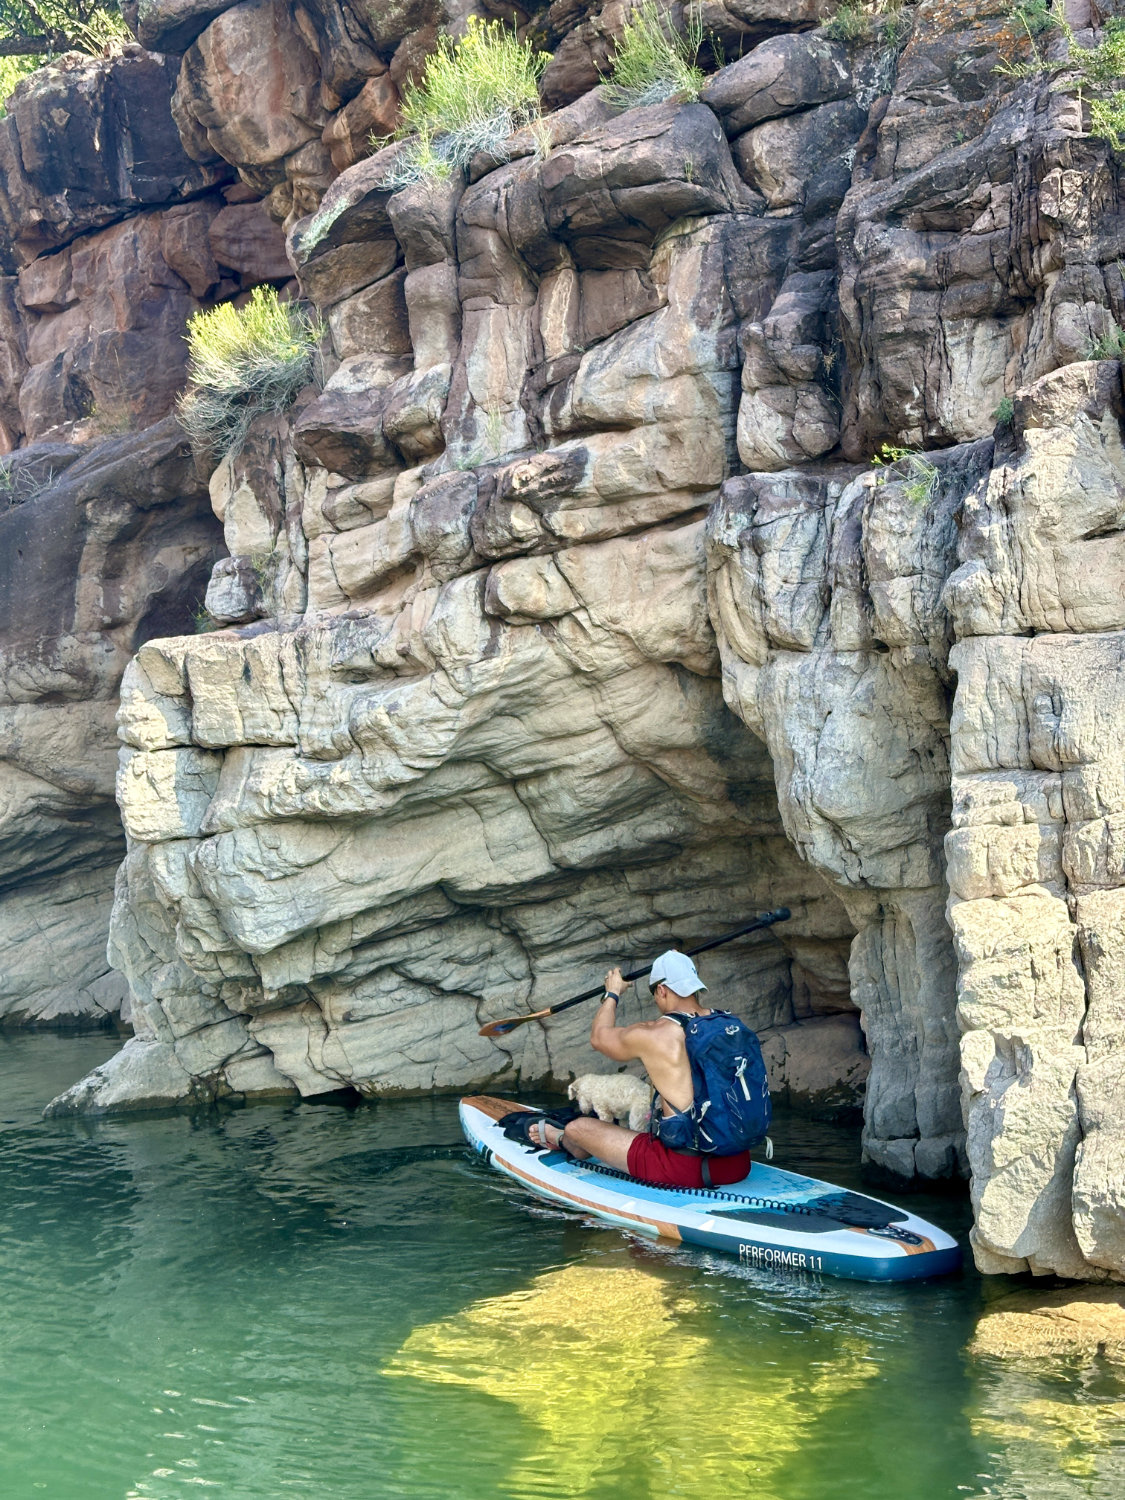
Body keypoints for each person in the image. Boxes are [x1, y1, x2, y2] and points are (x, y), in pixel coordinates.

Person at [528, 949, 755, 1188]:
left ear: (661, 990)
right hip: (737, 1164)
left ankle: (563, 1139)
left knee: (578, 1127)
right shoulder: (731, 1025)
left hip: (682, 1169)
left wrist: (612, 993)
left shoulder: (656, 1033)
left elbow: (599, 1038)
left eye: (654, 995)